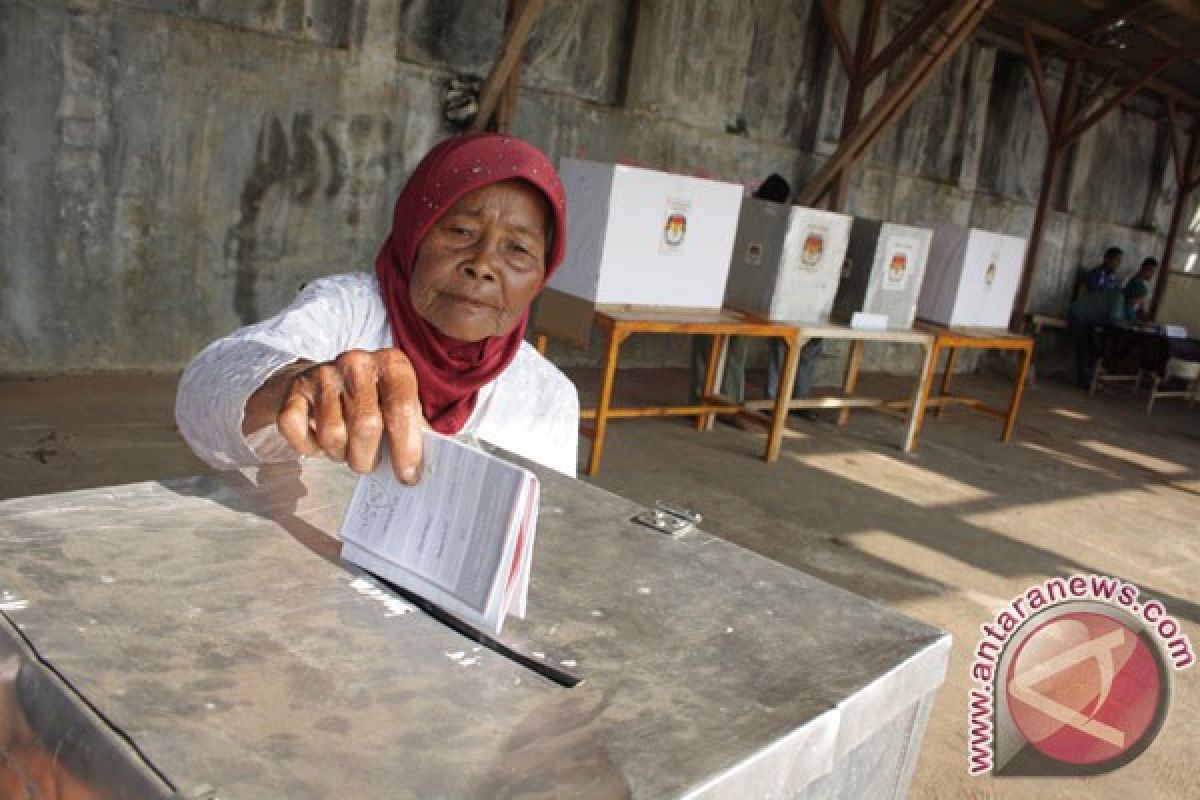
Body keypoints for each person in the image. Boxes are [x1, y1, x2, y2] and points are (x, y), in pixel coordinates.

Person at [176, 133, 580, 481]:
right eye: (461, 231)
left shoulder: (547, 397)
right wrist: (294, 383)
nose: (483, 265)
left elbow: (539, 532)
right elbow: (203, 394)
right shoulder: (347, 311)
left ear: (544, 272)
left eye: (518, 249)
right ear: (414, 232)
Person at [689, 173, 792, 407]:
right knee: (732, 352)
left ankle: (702, 403)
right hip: (739, 295)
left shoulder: (742, 211)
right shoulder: (770, 221)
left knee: (710, 350)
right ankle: (728, 404)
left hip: (721, 291)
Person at [1067, 277, 1146, 390]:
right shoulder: (1118, 298)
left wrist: (1134, 323)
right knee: (1086, 348)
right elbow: (1115, 320)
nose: (1139, 302)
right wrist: (1130, 325)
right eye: (1139, 298)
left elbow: (1126, 317)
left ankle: (1088, 379)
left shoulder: (1124, 298)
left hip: (1087, 320)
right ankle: (1085, 382)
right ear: (1134, 294)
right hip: (1078, 316)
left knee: (1092, 348)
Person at [1123, 257, 1157, 321]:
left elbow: (1140, 308)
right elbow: (1123, 301)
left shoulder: (1144, 286)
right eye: (1150, 271)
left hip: (1133, 318)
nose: (1152, 274)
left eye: (1153, 272)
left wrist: (1145, 319)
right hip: (1124, 317)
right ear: (1142, 268)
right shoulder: (1127, 280)